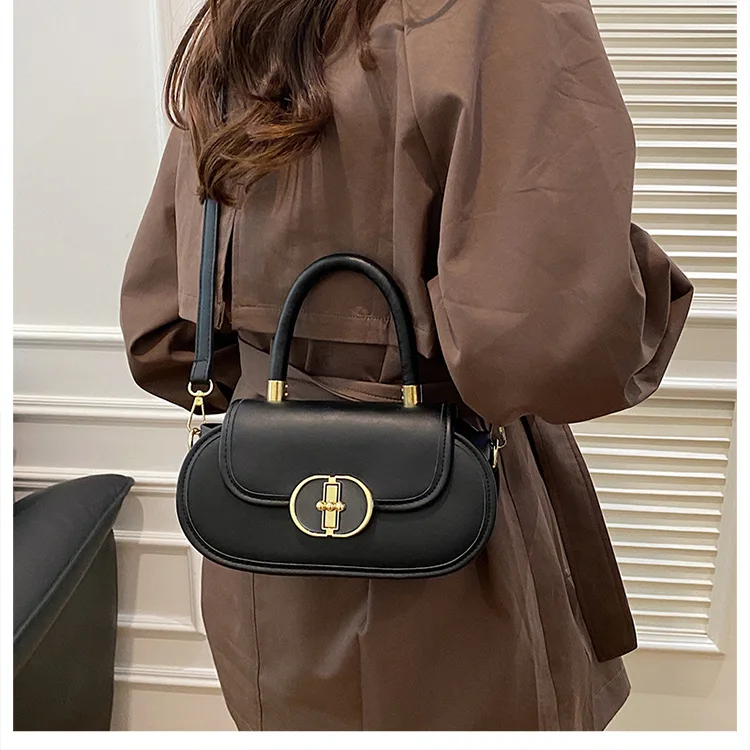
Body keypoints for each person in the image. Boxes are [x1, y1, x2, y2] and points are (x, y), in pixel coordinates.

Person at [119, 0, 694, 731]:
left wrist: (295, 387)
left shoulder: (241, 16)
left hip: (269, 546)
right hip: (449, 528)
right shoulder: (495, 12)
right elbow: (552, 339)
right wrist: (638, 282)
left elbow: (163, 334)